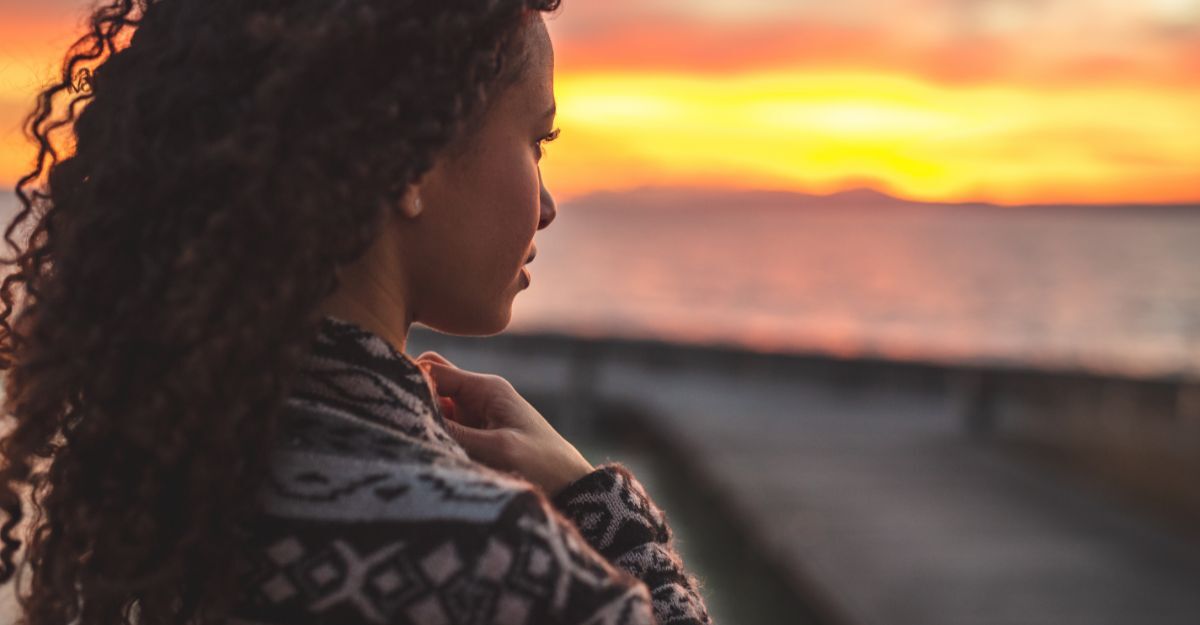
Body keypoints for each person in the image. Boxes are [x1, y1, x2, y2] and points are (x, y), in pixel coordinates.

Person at [0, 0, 713, 624]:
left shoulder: (173, 475)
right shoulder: (505, 568)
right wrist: (602, 511)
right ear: (409, 164)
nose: (548, 206)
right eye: (538, 141)